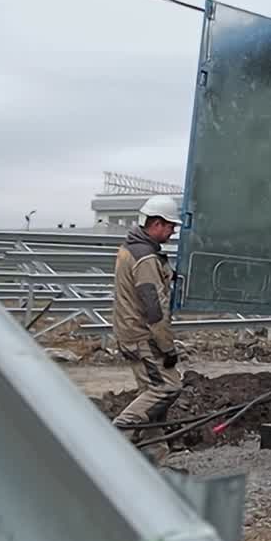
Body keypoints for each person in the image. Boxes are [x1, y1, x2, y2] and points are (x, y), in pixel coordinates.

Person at [111, 194, 184, 462]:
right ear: (156, 223)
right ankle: (116, 435)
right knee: (167, 388)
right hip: (143, 337)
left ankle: (155, 456)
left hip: (130, 333)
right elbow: (155, 310)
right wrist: (167, 347)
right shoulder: (145, 259)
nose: (173, 231)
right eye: (170, 226)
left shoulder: (131, 248)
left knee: (150, 394)